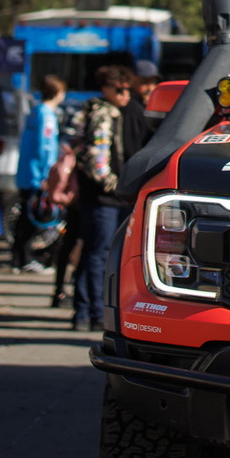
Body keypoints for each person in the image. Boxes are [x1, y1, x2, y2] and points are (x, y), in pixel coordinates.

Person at [72, 72, 133, 332]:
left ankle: (84, 311)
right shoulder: (102, 115)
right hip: (103, 197)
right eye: (119, 88)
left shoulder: (109, 112)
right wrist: (114, 185)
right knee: (99, 255)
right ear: (106, 88)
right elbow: (98, 161)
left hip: (103, 196)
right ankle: (94, 312)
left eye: (127, 89)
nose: (125, 94)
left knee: (93, 253)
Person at [12, 75, 65, 271]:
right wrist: (47, 175)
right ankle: (25, 259)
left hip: (27, 172)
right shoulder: (47, 115)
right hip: (37, 175)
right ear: (58, 93)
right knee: (31, 219)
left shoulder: (34, 112)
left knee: (24, 218)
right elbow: (45, 148)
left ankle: (19, 258)